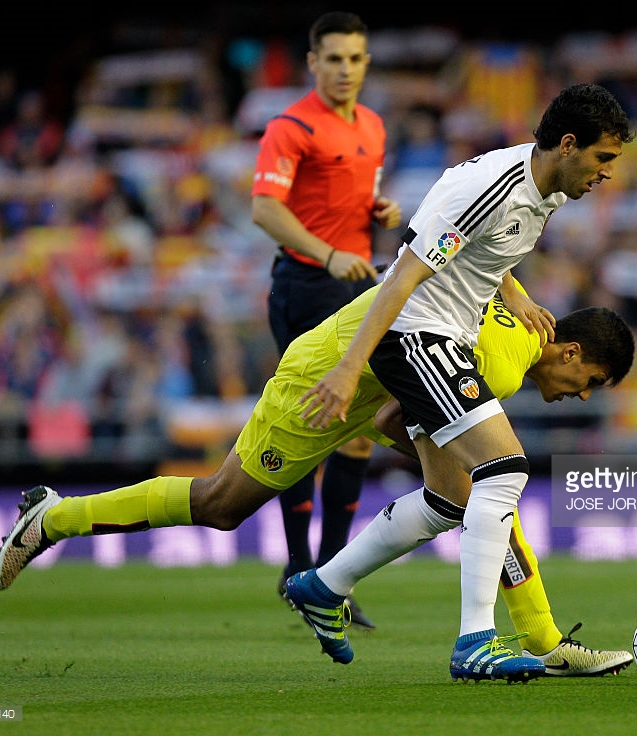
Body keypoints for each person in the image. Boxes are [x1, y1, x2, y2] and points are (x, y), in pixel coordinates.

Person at [0, 281, 637, 680]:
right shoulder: (500, 368)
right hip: (321, 381)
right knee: (221, 503)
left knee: (474, 492)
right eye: (591, 384)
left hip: (360, 383)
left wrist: (511, 286)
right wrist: (432, 453)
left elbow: (466, 259)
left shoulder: (513, 330)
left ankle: (338, 589)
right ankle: (52, 516)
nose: (583, 398)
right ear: (572, 353)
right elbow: (393, 413)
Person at [290, 82, 634, 682]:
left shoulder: (545, 191)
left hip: (447, 335)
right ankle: (476, 640)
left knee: (450, 500)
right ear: (569, 144)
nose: (607, 174)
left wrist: (515, 292)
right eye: (604, 158)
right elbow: (400, 278)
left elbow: (487, 252)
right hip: (420, 333)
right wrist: (349, 369)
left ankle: (324, 585)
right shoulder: (490, 188)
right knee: (505, 469)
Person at [250, 11, 402, 629]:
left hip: (356, 284)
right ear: (312, 63)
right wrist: (331, 252)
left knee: (359, 428)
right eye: (334, 58)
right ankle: (297, 565)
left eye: (355, 59)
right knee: (312, 426)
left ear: (366, 64)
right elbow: (265, 209)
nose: (345, 69)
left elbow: (345, 199)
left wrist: (376, 210)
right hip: (306, 284)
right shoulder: (289, 128)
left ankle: (330, 575)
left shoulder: (372, 125)